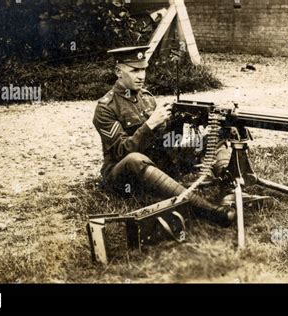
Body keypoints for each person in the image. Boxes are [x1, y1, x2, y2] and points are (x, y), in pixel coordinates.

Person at [93, 46, 235, 226]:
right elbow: (122, 152)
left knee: (215, 138)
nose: (141, 76)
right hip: (123, 175)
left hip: (155, 166)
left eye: (143, 69)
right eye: (134, 70)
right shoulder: (106, 107)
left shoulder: (147, 98)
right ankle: (208, 210)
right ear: (118, 71)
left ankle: (228, 188)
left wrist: (180, 122)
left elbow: (165, 141)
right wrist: (150, 124)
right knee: (136, 159)